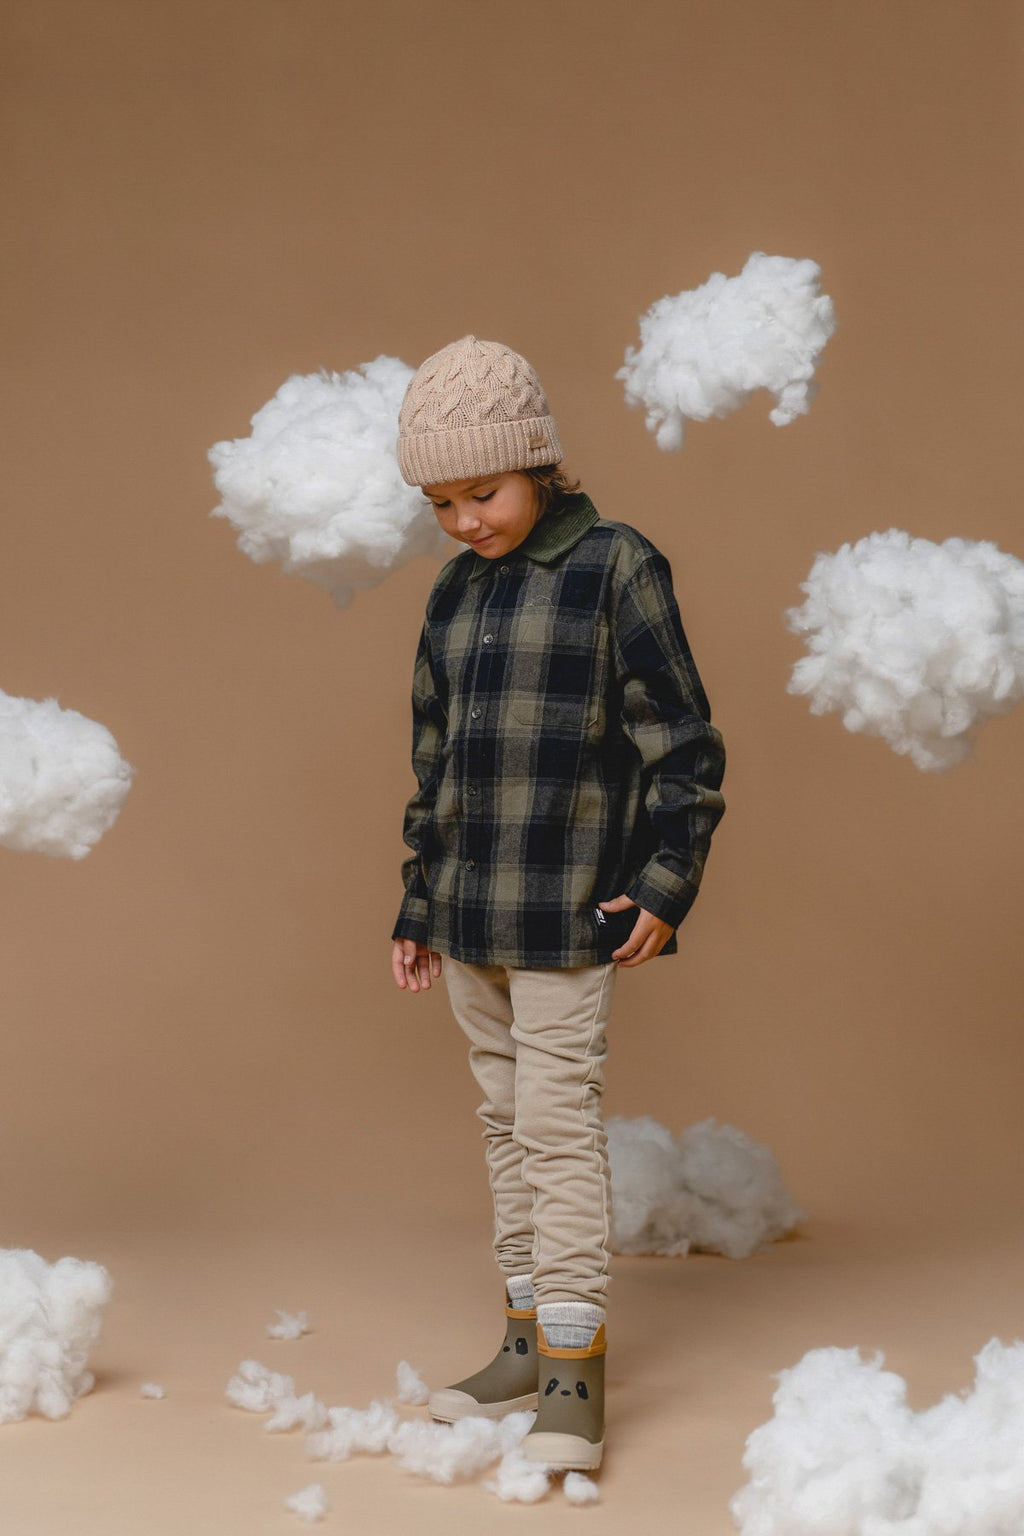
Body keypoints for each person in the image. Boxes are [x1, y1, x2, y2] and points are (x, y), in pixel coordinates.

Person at [389, 335, 725, 1472]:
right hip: (469, 914)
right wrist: (415, 901)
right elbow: (436, 760)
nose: (464, 519)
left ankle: (576, 1373)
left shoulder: (616, 567)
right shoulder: (452, 594)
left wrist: (667, 879)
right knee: (500, 1121)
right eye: (440, 502)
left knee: (555, 1127)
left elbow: (680, 742)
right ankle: (524, 1338)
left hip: (569, 912)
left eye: (481, 492)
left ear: (539, 464)